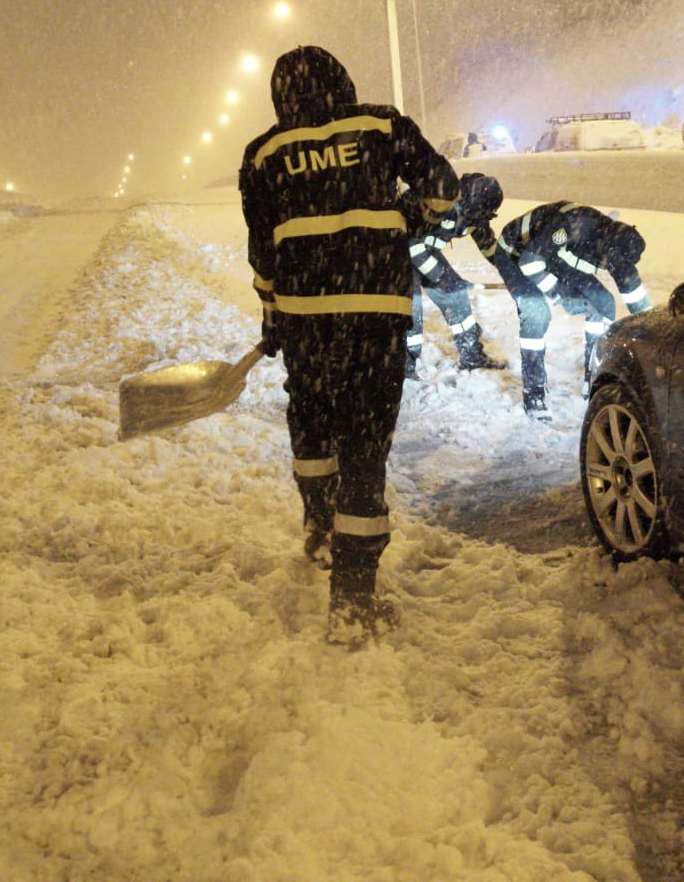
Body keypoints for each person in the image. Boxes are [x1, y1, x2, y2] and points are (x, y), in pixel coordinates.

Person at [239, 45, 459, 645]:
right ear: (343, 82)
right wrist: (403, 219)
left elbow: (264, 254)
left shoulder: (262, 153)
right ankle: (354, 602)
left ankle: (318, 529)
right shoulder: (382, 123)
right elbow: (443, 187)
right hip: (374, 312)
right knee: (364, 446)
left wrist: (272, 312)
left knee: (312, 424)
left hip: (306, 319)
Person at [463, 193, 651, 420]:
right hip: (516, 253)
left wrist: (652, 329)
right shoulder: (573, 225)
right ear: (605, 248)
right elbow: (530, 262)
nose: (606, 267)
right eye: (605, 263)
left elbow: (636, 299)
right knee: (537, 313)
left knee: (603, 303)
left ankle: (593, 380)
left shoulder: (617, 247)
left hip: (553, 256)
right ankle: (534, 393)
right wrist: (561, 295)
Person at [403, 174, 504, 377]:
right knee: (410, 310)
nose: (480, 219)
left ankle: (472, 356)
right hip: (399, 248)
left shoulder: (475, 212)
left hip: (425, 247)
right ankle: (403, 366)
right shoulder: (439, 201)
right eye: (480, 213)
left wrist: (512, 272)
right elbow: (412, 245)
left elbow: (488, 246)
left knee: (456, 295)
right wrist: (442, 276)